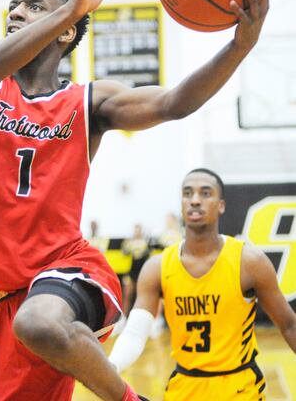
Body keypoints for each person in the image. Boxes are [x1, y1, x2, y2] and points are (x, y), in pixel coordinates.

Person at [0, 0, 270, 398]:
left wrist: (240, 46)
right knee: (31, 325)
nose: (16, 13)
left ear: (65, 33)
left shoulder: (89, 101)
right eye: (12, 6)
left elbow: (174, 102)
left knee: (38, 320)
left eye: (32, 6)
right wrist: (69, 10)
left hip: (67, 271)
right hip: (3, 298)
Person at [108, 168, 296, 399]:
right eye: (188, 193)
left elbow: (289, 325)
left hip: (239, 388)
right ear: (181, 204)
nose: (195, 200)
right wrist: (111, 367)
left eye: (205, 193)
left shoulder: (249, 262)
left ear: (221, 205)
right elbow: (136, 333)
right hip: (184, 387)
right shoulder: (158, 267)